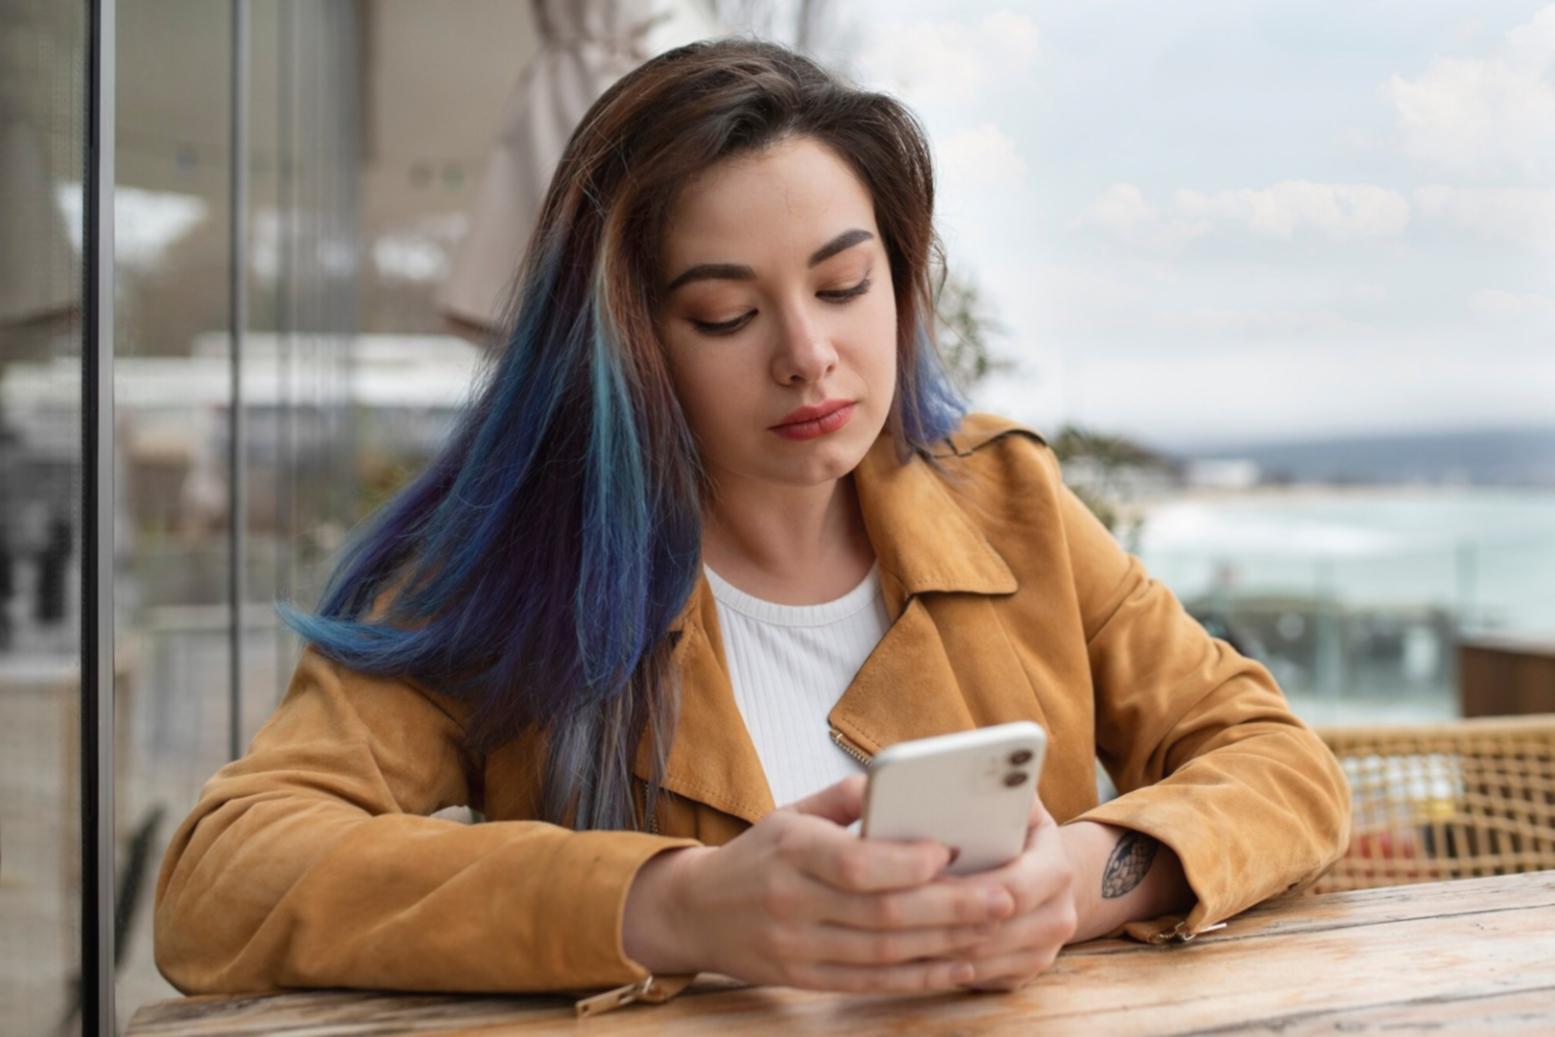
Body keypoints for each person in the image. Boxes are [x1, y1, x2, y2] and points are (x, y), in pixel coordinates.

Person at [154, 38, 1350, 1013]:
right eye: (725, 313)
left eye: (843, 285)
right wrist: (676, 901)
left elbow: (1277, 759)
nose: (808, 356)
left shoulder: (1009, 501)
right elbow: (225, 876)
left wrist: (1083, 878)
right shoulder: (504, 562)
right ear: (626, 340)